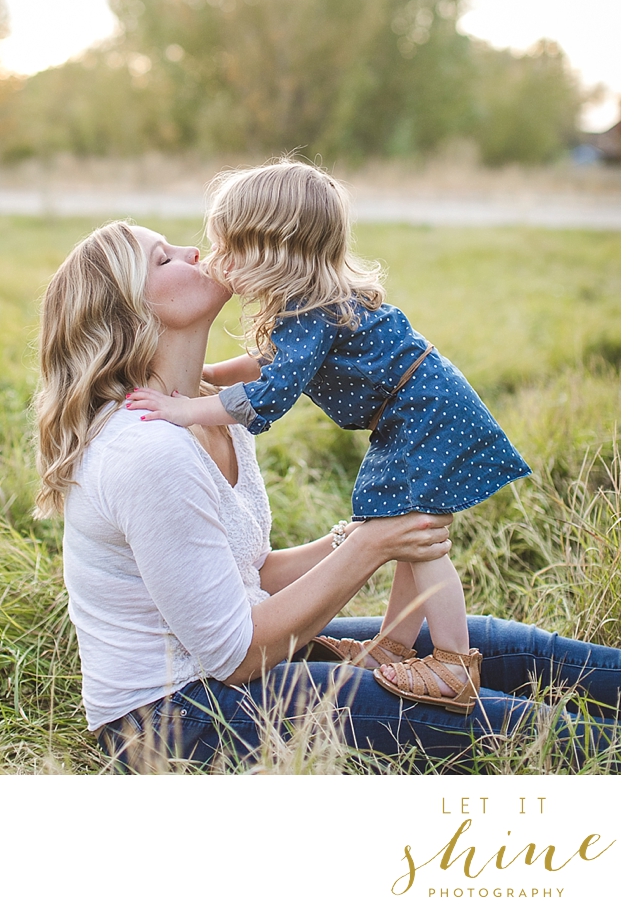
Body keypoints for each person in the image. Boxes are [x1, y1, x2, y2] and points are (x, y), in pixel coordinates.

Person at [35, 219, 617, 770]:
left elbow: (251, 570)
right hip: (176, 719)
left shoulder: (219, 409)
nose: (192, 252)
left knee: (496, 644)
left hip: (231, 666)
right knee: (504, 722)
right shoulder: (147, 452)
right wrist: (372, 547)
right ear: (131, 313)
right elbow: (233, 658)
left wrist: (360, 537)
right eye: (163, 259)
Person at [123, 161, 529, 712]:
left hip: (417, 412)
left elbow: (270, 396)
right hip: (418, 407)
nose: (217, 260)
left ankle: (455, 662)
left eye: (232, 248)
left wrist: (191, 407)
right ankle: (394, 647)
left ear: (274, 251)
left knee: (417, 534)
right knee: (407, 527)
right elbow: (273, 360)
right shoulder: (312, 301)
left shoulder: (306, 310)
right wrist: (215, 377)